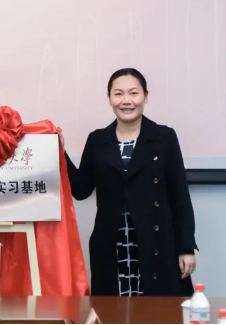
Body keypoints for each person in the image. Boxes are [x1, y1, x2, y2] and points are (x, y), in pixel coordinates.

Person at [63, 68, 197, 296]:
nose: (126, 101)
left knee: (159, 310)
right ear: (109, 98)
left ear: (145, 96)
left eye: (133, 93)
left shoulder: (164, 137)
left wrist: (186, 248)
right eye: (118, 94)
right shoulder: (97, 140)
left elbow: (180, 195)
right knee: (113, 310)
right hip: (111, 245)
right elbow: (81, 189)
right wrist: (60, 151)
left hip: (157, 242)